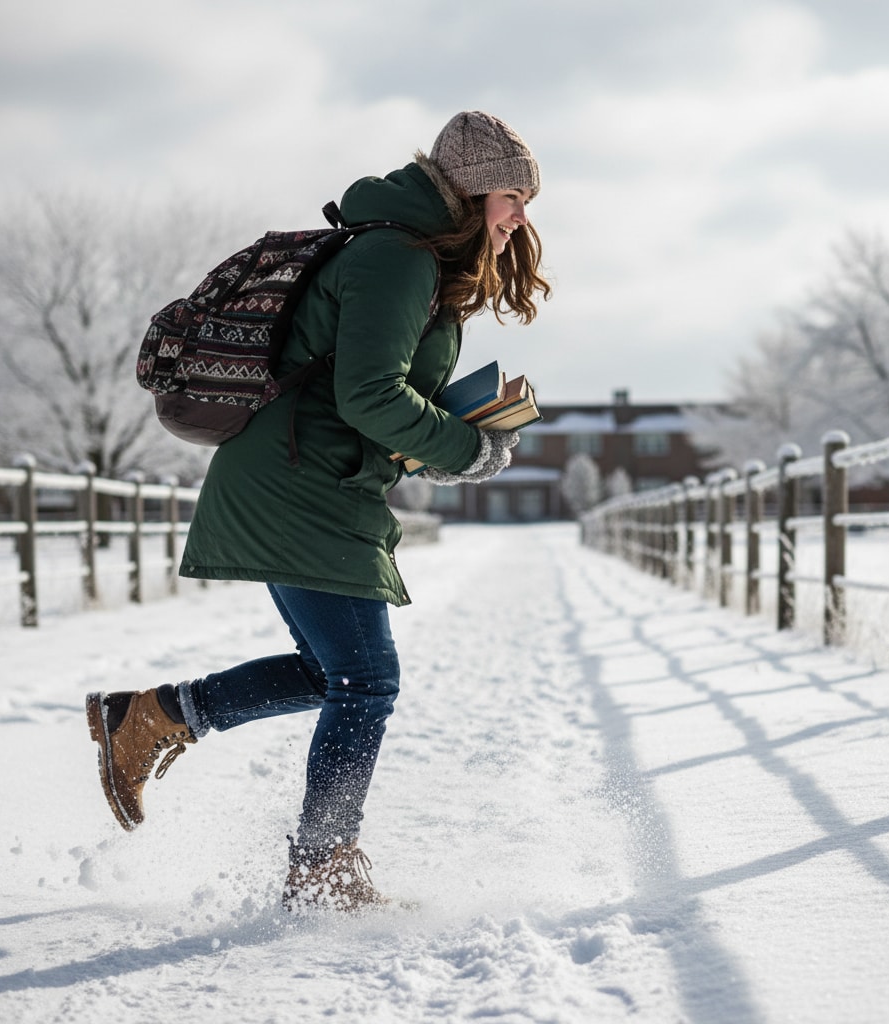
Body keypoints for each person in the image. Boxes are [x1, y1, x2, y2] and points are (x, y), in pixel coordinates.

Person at [85, 110, 551, 914]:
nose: (519, 217)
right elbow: (369, 395)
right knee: (365, 679)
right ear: (473, 191)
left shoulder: (408, 254)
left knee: (337, 673)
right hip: (297, 484)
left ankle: (154, 715)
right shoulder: (396, 257)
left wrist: (459, 434)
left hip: (316, 478)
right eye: (512, 195)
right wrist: (461, 451)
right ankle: (323, 864)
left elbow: (371, 392)